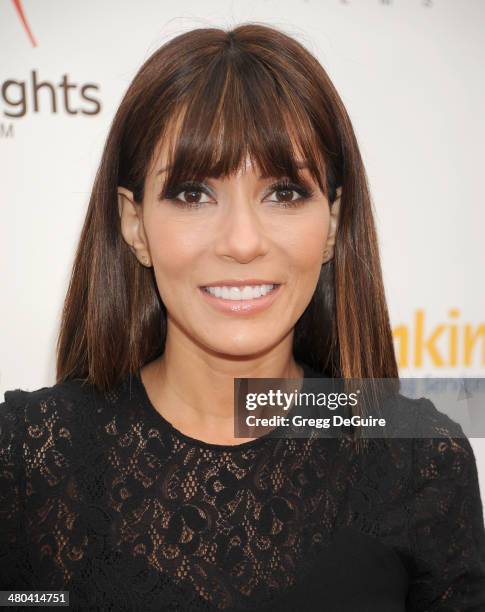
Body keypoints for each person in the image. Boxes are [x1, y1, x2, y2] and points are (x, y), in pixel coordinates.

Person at [1, 23, 484, 612]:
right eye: (193, 193)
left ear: (332, 224)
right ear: (134, 225)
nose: (243, 241)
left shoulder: (420, 461)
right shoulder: (29, 459)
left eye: (283, 192)